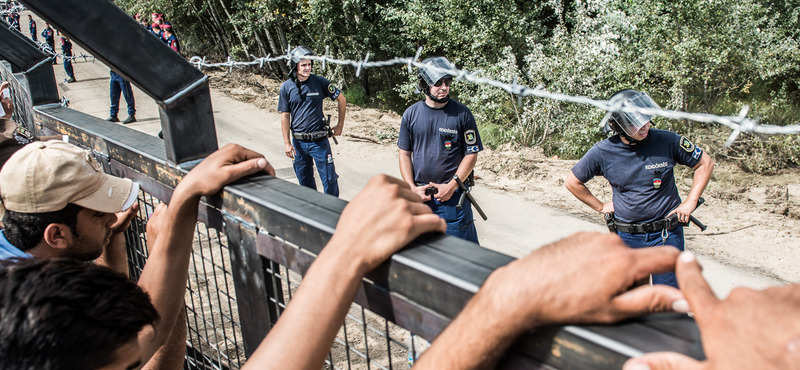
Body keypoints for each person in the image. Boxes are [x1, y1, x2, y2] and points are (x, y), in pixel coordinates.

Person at [0, 143, 276, 370]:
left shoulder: (21, 259)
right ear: (56, 235)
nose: (111, 218)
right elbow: (145, 335)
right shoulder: (30, 311)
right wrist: (183, 201)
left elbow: (108, 321)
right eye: (98, 214)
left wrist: (111, 241)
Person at [565, 89, 714, 288]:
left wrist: (691, 201)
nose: (644, 126)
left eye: (645, 119)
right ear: (618, 125)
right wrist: (600, 206)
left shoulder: (667, 140)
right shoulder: (603, 152)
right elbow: (572, 182)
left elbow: (705, 163)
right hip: (628, 237)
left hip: (665, 235)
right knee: (634, 300)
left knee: (668, 301)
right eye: (635, 123)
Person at [397, 56, 483, 244]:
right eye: (438, 83)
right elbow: (404, 153)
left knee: (461, 256)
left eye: (447, 82)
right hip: (421, 199)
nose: (444, 87)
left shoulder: (462, 114)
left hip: (452, 200)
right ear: (424, 84)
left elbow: (472, 153)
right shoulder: (411, 114)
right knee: (421, 254)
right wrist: (412, 189)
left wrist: (451, 187)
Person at [278, 45, 345, 197]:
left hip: (319, 142)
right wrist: (286, 142)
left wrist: (340, 125)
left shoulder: (320, 82)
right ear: (295, 66)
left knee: (330, 180)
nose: (307, 68)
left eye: (309, 64)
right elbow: (285, 115)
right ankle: (313, 212)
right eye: (303, 65)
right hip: (299, 143)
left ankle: (332, 211)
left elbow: (341, 99)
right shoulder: (286, 87)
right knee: (305, 182)